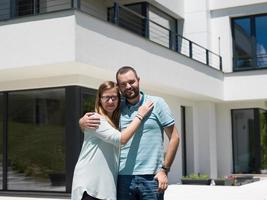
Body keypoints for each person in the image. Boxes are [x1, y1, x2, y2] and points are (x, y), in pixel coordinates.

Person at [79, 66, 180, 200]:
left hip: (151, 178)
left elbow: (174, 137)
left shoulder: (157, 103)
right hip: (122, 177)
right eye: (123, 84)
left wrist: (164, 170)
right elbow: (101, 122)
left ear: (138, 80)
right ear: (119, 87)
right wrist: (81, 121)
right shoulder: (117, 107)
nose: (128, 86)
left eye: (131, 82)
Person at [72, 80, 154, 200]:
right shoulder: (96, 119)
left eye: (114, 97)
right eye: (106, 97)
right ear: (99, 99)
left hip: (103, 189)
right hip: (91, 188)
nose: (110, 101)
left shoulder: (115, 122)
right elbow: (122, 139)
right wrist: (140, 115)